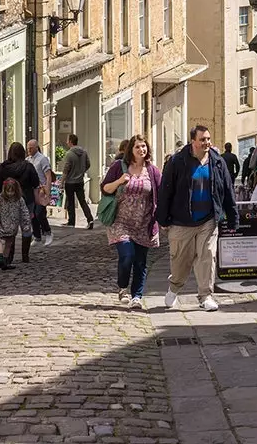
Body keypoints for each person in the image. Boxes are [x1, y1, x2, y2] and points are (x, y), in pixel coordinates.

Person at [155, 125, 238, 312]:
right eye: (202, 139)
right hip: (181, 221)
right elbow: (165, 191)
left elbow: (227, 190)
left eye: (208, 139)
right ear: (193, 141)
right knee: (180, 262)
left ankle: (205, 295)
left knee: (207, 257)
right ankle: (174, 288)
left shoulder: (217, 162)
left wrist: (232, 217)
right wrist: (162, 218)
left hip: (207, 220)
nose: (206, 142)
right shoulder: (178, 162)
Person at [101, 135, 161, 308]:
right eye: (137, 147)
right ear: (131, 150)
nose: (141, 150)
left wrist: (164, 218)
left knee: (141, 262)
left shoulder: (153, 171)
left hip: (144, 222)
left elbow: (162, 194)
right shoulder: (118, 167)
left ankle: (137, 296)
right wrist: (120, 181)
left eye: (144, 146)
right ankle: (122, 287)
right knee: (127, 255)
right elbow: (105, 189)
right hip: (120, 221)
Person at [0, 142, 42, 264]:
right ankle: (25, 255)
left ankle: (9, 256)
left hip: (8, 202)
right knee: (26, 226)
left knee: (9, 227)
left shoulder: (3, 168)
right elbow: (36, 182)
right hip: (26, 201)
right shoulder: (28, 166)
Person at [0, 177, 29, 271]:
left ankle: (3, 259)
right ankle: (1, 259)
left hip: (13, 224)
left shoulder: (19, 199)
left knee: (8, 242)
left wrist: (26, 224)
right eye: (8, 191)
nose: (10, 194)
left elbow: (24, 212)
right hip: (2, 223)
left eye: (12, 191)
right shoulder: (1, 197)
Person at [25, 138, 55, 245]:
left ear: (36, 147)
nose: (29, 150)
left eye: (31, 148)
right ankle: (37, 236)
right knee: (32, 214)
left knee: (39, 213)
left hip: (41, 190)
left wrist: (48, 191)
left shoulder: (42, 159)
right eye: (28, 148)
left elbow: (48, 176)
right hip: (32, 190)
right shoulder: (28, 160)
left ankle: (48, 232)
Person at [62, 133, 93, 229]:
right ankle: (90, 219)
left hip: (70, 182)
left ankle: (71, 222)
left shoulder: (69, 154)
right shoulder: (84, 152)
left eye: (68, 140)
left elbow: (66, 169)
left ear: (70, 141)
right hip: (80, 181)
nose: (67, 142)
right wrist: (82, 171)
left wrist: (62, 181)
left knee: (70, 202)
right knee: (82, 201)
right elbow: (88, 164)